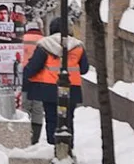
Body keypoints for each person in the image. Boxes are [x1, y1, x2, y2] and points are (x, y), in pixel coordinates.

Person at [23, 17, 89, 145]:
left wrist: (26, 76)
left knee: (52, 118)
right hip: (72, 88)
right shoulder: (78, 46)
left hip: (49, 89)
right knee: (68, 119)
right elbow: (84, 69)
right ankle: (68, 148)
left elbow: (33, 67)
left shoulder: (45, 45)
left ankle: (53, 145)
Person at [20, 20, 46, 144]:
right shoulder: (44, 41)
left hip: (24, 76)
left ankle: (24, 134)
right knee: (37, 108)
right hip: (40, 78)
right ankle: (35, 138)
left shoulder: (22, 38)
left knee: (24, 105)